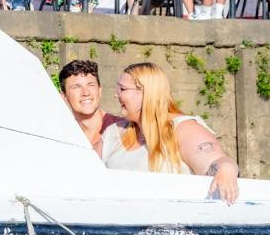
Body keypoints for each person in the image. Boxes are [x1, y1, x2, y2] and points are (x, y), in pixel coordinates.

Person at [103, 61, 240, 203]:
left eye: (122, 89)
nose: (116, 95)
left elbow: (215, 162)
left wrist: (226, 169)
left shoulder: (183, 128)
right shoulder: (115, 133)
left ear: (146, 93)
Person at [58, 59, 121, 151]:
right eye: (76, 87)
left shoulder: (122, 129)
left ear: (99, 91)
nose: (85, 93)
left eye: (90, 85)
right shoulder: (61, 135)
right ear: (64, 96)